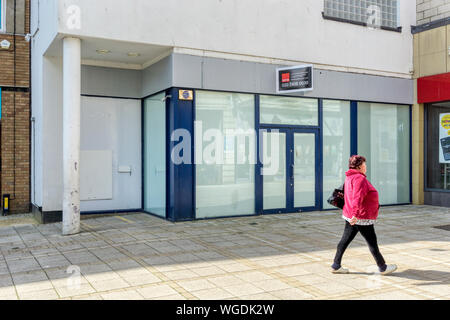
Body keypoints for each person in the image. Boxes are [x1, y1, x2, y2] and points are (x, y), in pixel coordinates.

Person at [331, 155, 397, 275]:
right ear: (359, 166)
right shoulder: (359, 179)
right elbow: (357, 198)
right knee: (372, 242)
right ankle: (382, 267)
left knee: (344, 241)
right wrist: (355, 215)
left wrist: (353, 215)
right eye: (364, 164)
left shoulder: (350, 177)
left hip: (351, 216)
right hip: (361, 217)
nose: (366, 166)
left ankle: (336, 265)